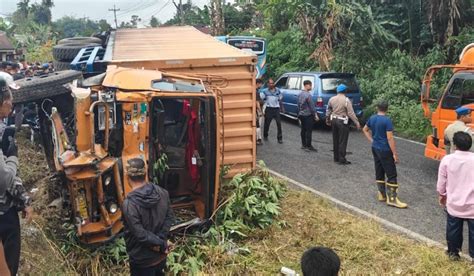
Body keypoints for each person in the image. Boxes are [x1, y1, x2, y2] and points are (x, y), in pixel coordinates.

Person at [0, 77, 33, 276]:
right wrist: (13, 159)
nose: (12, 104)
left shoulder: (4, 129)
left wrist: (23, 198)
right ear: (4, 102)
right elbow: (3, 178)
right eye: (11, 100)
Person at [122, 158, 175, 276]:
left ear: (127, 176)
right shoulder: (163, 193)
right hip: (160, 256)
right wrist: (162, 241)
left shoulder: (129, 205)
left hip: (142, 261)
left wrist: (160, 243)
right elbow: (169, 218)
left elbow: (141, 235)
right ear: (145, 173)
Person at [362, 101, 407, 208]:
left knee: (379, 169)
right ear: (387, 109)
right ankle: (392, 199)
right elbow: (390, 138)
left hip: (375, 148)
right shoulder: (387, 121)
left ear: (377, 108)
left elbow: (365, 129)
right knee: (391, 173)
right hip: (385, 149)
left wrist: (372, 140)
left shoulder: (372, 118)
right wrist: (394, 153)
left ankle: (381, 194)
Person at [437, 131, 474, 260]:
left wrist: (442, 195)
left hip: (454, 203)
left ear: (455, 145)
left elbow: (441, 183)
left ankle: (453, 253)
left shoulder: (447, 160)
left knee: (453, 229)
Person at [326, 84, 361, 165]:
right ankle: (342, 159)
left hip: (333, 120)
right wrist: (357, 122)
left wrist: (327, 119)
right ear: (345, 91)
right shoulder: (346, 100)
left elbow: (328, 110)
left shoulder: (331, 99)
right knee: (342, 140)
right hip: (342, 121)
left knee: (335, 139)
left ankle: (336, 158)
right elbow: (351, 113)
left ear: (337, 91)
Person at [260, 78, 283, 144]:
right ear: (267, 84)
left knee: (279, 124)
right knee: (267, 124)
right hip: (269, 108)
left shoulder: (278, 90)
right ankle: (265, 135)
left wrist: (279, 100)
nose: (272, 84)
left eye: (273, 83)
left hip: (276, 109)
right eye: (270, 83)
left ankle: (280, 138)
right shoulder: (264, 91)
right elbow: (261, 99)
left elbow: (281, 97)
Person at [298, 80, 318, 151]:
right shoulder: (308, 95)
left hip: (301, 114)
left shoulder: (300, 94)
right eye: (310, 85)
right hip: (308, 115)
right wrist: (315, 115)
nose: (311, 87)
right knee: (309, 130)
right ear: (307, 85)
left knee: (303, 129)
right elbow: (312, 106)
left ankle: (303, 144)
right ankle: (308, 146)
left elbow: (298, 104)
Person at [256, 79, 264, 145]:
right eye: (261, 84)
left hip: (256, 110)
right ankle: (258, 139)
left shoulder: (256, 91)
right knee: (258, 125)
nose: (261, 85)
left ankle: (259, 138)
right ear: (258, 83)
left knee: (258, 125)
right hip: (257, 111)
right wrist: (260, 111)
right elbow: (257, 103)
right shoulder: (256, 92)